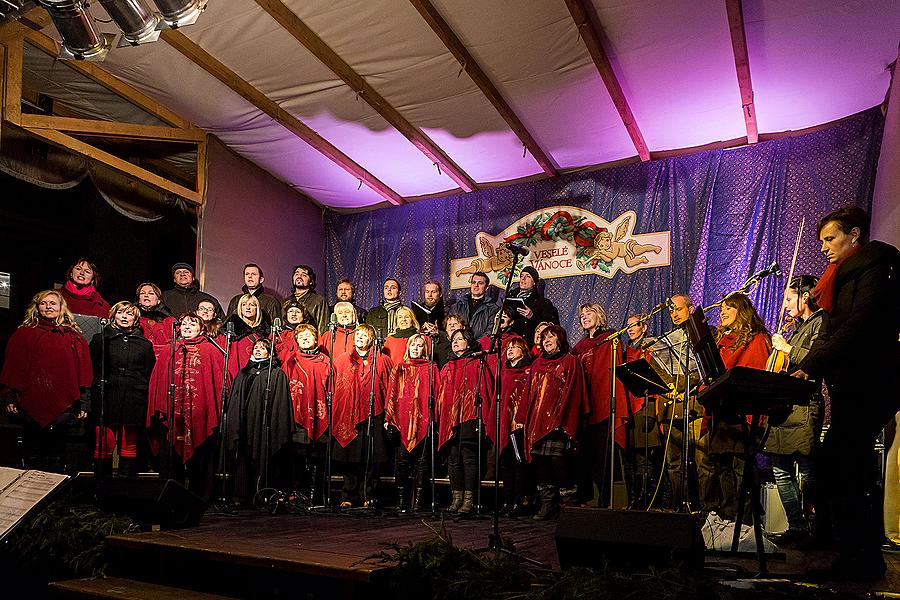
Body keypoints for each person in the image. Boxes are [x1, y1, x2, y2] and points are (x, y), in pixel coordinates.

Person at [793, 205, 900, 579]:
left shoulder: (875, 265)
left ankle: (861, 558)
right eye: (821, 240)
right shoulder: (842, 274)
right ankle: (841, 547)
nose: (823, 247)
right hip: (851, 381)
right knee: (837, 464)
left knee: (845, 465)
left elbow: (861, 322)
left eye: (830, 238)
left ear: (854, 234)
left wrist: (814, 362)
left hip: (871, 380)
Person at [0, 290, 92, 473]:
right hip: (30, 403)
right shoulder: (24, 334)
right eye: (43, 303)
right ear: (37, 307)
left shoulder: (73, 336)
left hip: (63, 407)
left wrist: (84, 402)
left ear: (61, 308)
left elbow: (84, 371)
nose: (48, 306)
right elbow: (13, 367)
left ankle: (55, 498)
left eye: (52, 303)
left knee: (57, 454)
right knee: (33, 453)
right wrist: (9, 396)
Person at [763, 275, 824, 544]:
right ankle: (797, 526)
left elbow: (816, 360)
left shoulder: (820, 322)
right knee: (780, 469)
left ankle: (819, 526)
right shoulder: (798, 327)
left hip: (803, 405)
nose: (785, 306)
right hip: (783, 406)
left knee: (809, 469)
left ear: (805, 297)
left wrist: (786, 347)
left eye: (789, 299)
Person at [147, 312, 225, 501]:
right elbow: (158, 381)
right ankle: (170, 496)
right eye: (184, 324)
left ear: (202, 328)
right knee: (171, 456)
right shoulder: (170, 350)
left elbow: (218, 383)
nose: (188, 326)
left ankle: (200, 498)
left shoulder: (211, 351)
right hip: (174, 414)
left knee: (202, 458)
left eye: (193, 323)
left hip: (200, 414)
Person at [710, 292, 771, 522]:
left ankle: (746, 522)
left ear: (741, 311)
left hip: (744, 413)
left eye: (729, 308)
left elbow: (755, 376)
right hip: (724, 412)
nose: (723, 312)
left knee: (740, 467)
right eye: (722, 308)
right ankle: (727, 519)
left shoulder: (757, 339)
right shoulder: (721, 342)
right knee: (723, 466)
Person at [651, 293, 713, 511]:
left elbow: (704, 366)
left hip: (695, 408)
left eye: (678, 309)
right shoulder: (667, 340)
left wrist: (682, 386)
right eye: (671, 311)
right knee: (674, 464)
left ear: (690, 308)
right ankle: (679, 509)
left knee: (702, 462)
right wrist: (670, 387)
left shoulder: (704, 333)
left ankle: (705, 510)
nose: (674, 314)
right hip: (672, 409)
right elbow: (658, 366)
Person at [523, 324, 587, 520]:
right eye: (544, 338)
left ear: (560, 339)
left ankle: (568, 505)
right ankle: (547, 504)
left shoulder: (570, 361)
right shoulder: (536, 364)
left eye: (551, 336)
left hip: (558, 421)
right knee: (540, 463)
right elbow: (528, 394)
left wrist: (567, 420)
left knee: (559, 462)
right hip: (537, 420)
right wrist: (522, 418)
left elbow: (576, 392)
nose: (547, 340)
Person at [571, 303, 628, 507]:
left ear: (599, 315)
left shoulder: (610, 339)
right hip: (584, 408)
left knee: (602, 455)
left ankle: (606, 500)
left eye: (589, 313)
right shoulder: (579, 346)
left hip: (602, 405)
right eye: (582, 315)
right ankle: (586, 498)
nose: (584, 317)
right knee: (584, 455)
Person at [89, 301, 155, 478]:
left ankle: (126, 484)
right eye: (120, 313)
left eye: (129, 314)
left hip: (134, 395)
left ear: (135, 319)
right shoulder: (101, 339)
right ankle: (101, 486)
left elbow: (148, 371)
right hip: (106, 392)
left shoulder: (144, 344)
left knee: (129, 441)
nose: (125, 316)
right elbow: (92, 367)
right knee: (104, 440)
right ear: (113, 316)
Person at [331, 324, 393, 507]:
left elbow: (389, 387)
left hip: (374, 414)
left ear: (371, 339)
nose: (359, 337)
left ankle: (368, 495)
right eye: (357, 334)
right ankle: (348, 496)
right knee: (350, 457)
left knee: (371, 457)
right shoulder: (342, 360)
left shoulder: (382, 360)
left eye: (364, 335)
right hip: (349, 414)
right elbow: (336, 387)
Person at [224, 339, 293, 503]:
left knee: (264, 457)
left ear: (270, 352)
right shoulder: (243, 373)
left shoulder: (275, 373)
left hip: (264, 425)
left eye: (263, 348)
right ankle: (242, 495)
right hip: (244, 424)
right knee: (243, 457)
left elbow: (281, 403)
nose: (258, 350)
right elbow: (234, 399)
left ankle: (263, 494)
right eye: (256, 347)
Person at [436, 328, 494, 515]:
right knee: (453, 459)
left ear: (468, 343)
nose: (455, 342)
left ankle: (469, 500)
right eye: (454, 339)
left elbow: (485, 392)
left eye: (460, 339)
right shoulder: (448, 365)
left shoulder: (477, 363)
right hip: (451, 418)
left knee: (468, 458)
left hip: (470, 417)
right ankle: (456, 498)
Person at [385, 333, 441, 512]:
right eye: (413, 345)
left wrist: (435, 419)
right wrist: (389, 419)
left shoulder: (431, 368)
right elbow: (391, 394)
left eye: (419, 345)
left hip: (423, 419)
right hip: (403, 420)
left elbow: (438, 393)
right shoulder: (399, 367)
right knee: (401, 461)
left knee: (422, 463)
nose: (415, 348)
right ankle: (401, 500)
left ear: (425, 349)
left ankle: (418, 501)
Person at [282, 324, 330, 502]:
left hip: (320, 415)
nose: (305, 339)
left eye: (308, 336)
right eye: (301, 337)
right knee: (297, 457)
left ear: (316, 339)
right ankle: (297, 492)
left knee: (317, 457)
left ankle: (315, 495)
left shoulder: (325, 361)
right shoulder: (291, 361)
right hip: (296, 416)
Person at [488, 337, 533, 517]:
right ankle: (507, 501)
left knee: (518, 463)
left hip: (519, 425)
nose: (510, 350)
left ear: (523, 350)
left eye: (515, 347)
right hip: (504, 423)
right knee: (505, 464)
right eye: (509, 348)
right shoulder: (504, 372)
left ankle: (519, 501)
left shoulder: (527, 372)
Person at [621, 314, 662, 509]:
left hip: (644, 406)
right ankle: (633, 499)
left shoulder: (650, 348)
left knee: (643, 456)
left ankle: (646, 500)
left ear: (644, 327)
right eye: (628, 326)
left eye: (634, 325)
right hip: (627, 406)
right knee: (628, 457)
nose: (630, 329)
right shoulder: (623, 351)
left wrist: (650, 411)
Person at [506, 267, 559, 346]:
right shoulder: (510, 298)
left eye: (528, 276)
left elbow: (550, 327)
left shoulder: (544, 303)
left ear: (534, 282)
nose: (523, 279)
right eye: (521, 276)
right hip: (513, 345)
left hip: (532, 346)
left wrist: (532, 316)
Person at [223, 294, 271, 380]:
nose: (247, 307)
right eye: (244, 304)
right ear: (240, 308)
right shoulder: (233, 330)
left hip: (260, 376)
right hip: (238, 375)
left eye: (252, 305)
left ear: (257, 308)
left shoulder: (265, 331)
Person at [448, 272, 499, 341]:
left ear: (486, 287)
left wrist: (475, 344)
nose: (476, 285)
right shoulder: (457, 306)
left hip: (479, 348)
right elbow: (449, 327)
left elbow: (490, 331)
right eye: (473, 282)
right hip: (458, 345)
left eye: (480, 283)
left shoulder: (492, 308)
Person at [136, 282, 176, 349]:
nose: (146, 295)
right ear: (139, 300)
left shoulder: (167, 319)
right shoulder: (132, 317)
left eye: (151, 293)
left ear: (158, 300)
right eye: (142, 293)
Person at [290, 264, 328, 334]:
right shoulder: (287, 301)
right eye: (296, 274)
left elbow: (323, 328)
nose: (299, 276)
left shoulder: (318, 301)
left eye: (304, 275)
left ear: (311, 281)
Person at [275, 299, 309, 364]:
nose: (294, 314)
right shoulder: (278, 333)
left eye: (298, 312)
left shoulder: (309, 333)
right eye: (290, 311)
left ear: (303, 315)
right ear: (286, 315)